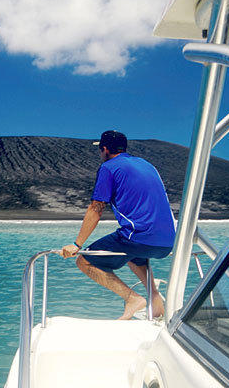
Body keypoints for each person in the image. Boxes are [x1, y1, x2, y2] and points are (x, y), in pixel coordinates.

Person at [60, 130, 175, 320]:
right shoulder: (147, 165)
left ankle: (133, 299)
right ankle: (155, 299)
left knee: (84, 261)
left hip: (138, 237)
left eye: (100, 150)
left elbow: (96, 209)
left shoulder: (109, 167)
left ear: (104, 149)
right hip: (167, 242)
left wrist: (77, 244)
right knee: (133, 254)